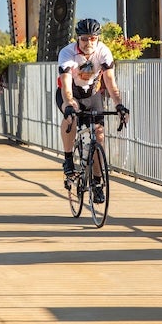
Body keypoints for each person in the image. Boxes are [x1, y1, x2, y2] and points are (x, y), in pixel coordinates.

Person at [56, 18, 129, 204]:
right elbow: (65, 86)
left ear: (97, 38)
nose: (89, 43)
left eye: (92, 38)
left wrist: (119, 105)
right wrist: (70, 104)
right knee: (70, 114)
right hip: (71, 93)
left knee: (99, 135)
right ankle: (68, 159)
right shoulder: (67, 53)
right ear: (77, 39)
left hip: (92, 93)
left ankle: (97, 183)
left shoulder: (103, 51)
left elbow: (110, 82)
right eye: (84, 39)